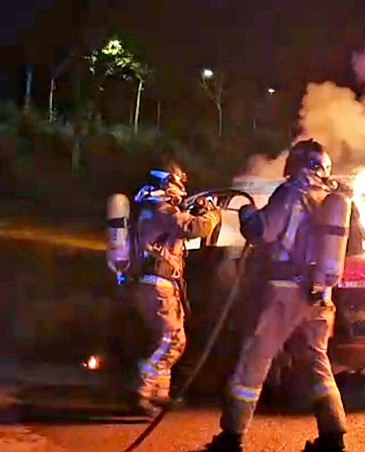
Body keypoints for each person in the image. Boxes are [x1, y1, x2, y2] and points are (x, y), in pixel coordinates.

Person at [202, 139, 349, 452]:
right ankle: (333, 437)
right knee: (316, 363)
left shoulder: (291, 193)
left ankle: (231, 438)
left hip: (284, 293)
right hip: (321, 296)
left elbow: (262, 232)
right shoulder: (332, 199)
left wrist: (246, 213)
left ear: (295, 164)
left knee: (255, 358)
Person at [130, 163, 222, 412]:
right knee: (173, 341)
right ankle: (142, 390)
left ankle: (159, 393)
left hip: (160, 283)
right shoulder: (161, 208)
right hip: (159, 284)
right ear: (169, 183)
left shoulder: (155, 208)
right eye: (179, 183)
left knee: (166, 338)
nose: (182, 189)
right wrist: (213, 214)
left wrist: (198, 212)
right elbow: (194, 228)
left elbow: (185, 241)